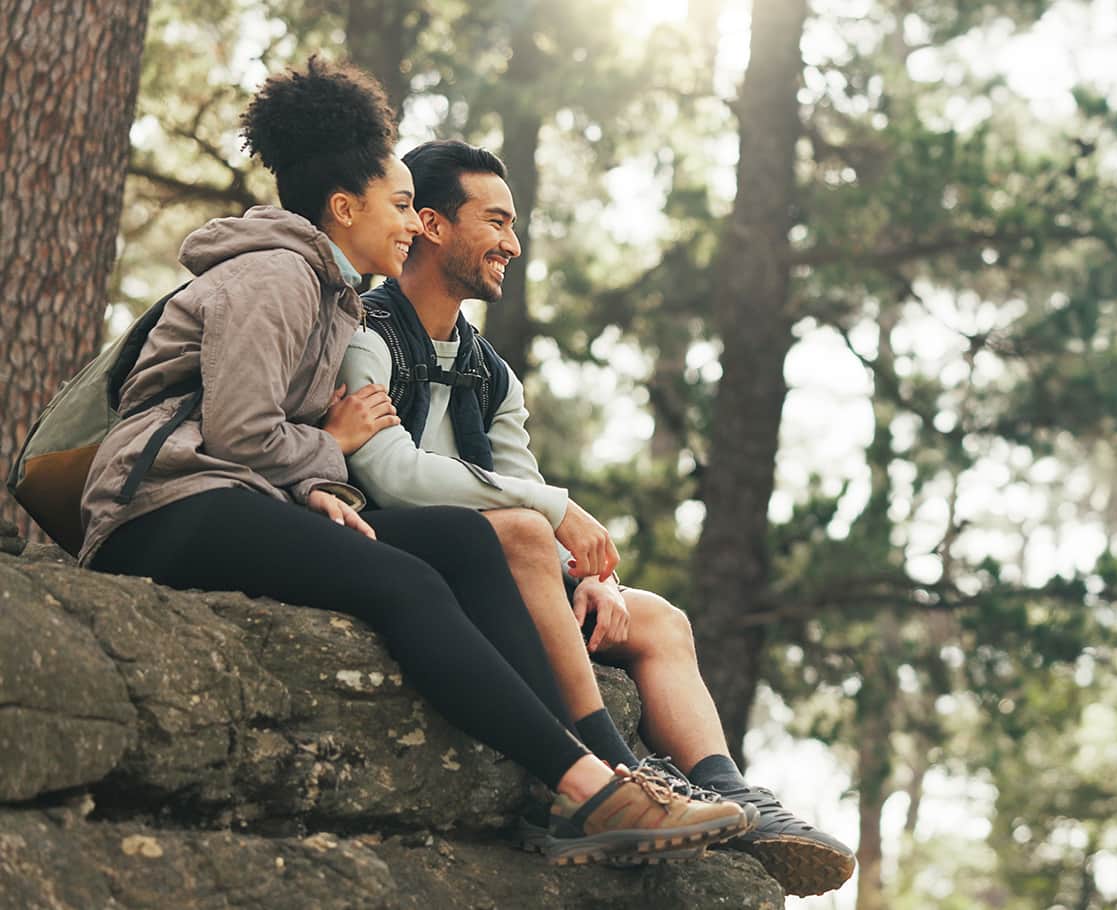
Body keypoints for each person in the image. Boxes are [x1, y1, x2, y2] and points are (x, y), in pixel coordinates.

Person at [78, 59, 748, 867]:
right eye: (400, 205)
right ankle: (587, 788)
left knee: (465, 547)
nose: (409, 222)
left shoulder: (331, 296)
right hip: (160, 506)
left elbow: (281, 439)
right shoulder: (275, 275)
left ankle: (583, 784)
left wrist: (320, 486)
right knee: (407, 583)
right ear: (344, 206)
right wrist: (337, 450)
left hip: (226, 495)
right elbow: (240, 430)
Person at [336, 139, 857, 897]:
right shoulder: (366, 331)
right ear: (431, 223)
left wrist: (588, 575)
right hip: (412, 556)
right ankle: (612, 773)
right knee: (518, 530)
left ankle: (738, 796)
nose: (513, 243)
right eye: (497, 222)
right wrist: (554, 515)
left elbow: (521, 485)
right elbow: (390, 473)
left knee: (658, 620)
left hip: (502, 565)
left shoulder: (491, 373)